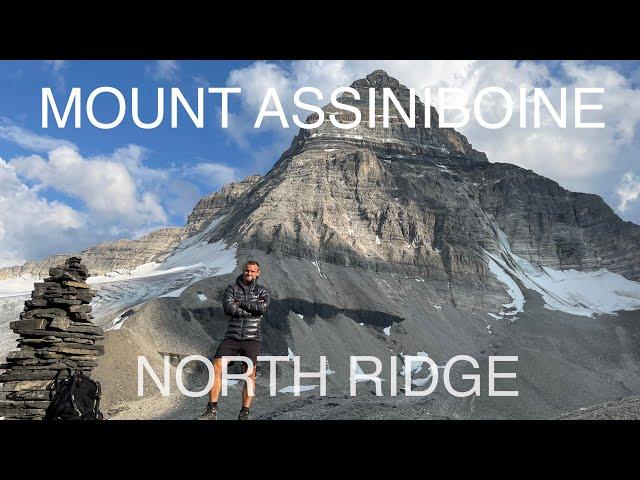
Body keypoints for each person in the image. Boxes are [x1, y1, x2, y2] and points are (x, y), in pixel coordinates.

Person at [198, 260, 270, 420]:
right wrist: (252, 309)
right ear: (243, 271)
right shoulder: (232, 289)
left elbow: (263, 308)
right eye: (247, 271)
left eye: (252, 271)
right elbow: (229, 308)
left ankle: (244, 413)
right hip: (231, 337)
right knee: (216, 367)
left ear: (258, 273)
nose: (249, 273)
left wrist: (241, 303)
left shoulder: (263, 291)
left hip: (252, 338)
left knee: (250, 374)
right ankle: (212, 410)